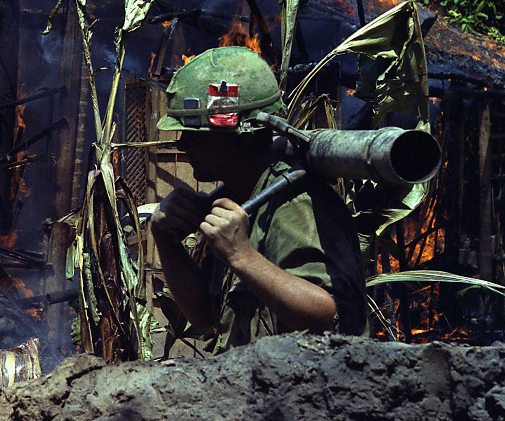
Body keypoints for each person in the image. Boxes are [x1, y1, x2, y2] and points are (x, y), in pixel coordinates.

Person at [149, 46, 368, 352]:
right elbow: (203, 316)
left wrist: (243, 257)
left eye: (198, 133)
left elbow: (330, 317)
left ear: (243, 136)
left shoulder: (294, 203)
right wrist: (166, 241)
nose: (184, 144)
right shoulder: (240, 198)